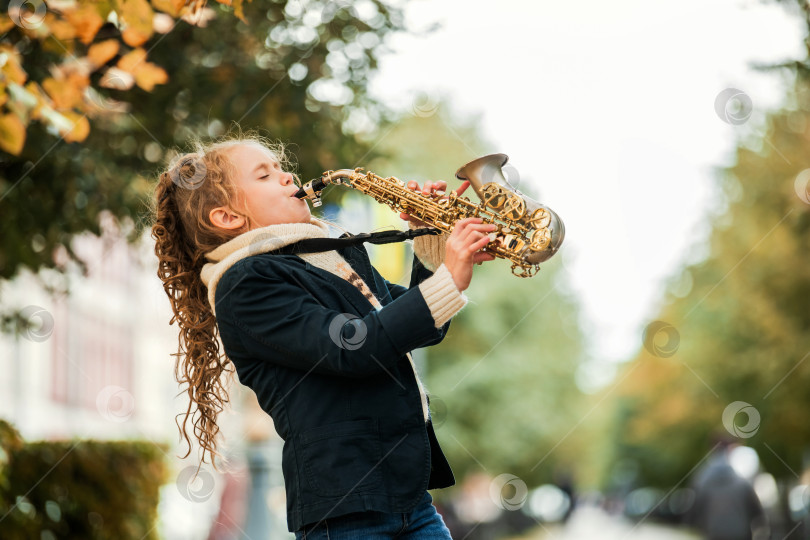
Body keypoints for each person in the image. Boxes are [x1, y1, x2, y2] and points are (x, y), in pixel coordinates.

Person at [150, 130, 498, 539]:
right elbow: (356, 346)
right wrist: (450, 278)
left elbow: (419, 327)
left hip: (409, 497)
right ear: (228, 217)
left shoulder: (330, 255)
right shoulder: (244, 284)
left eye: (281, 167)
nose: (287, 176)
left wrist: (435, 248)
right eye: (264, 175)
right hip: (345, 510)